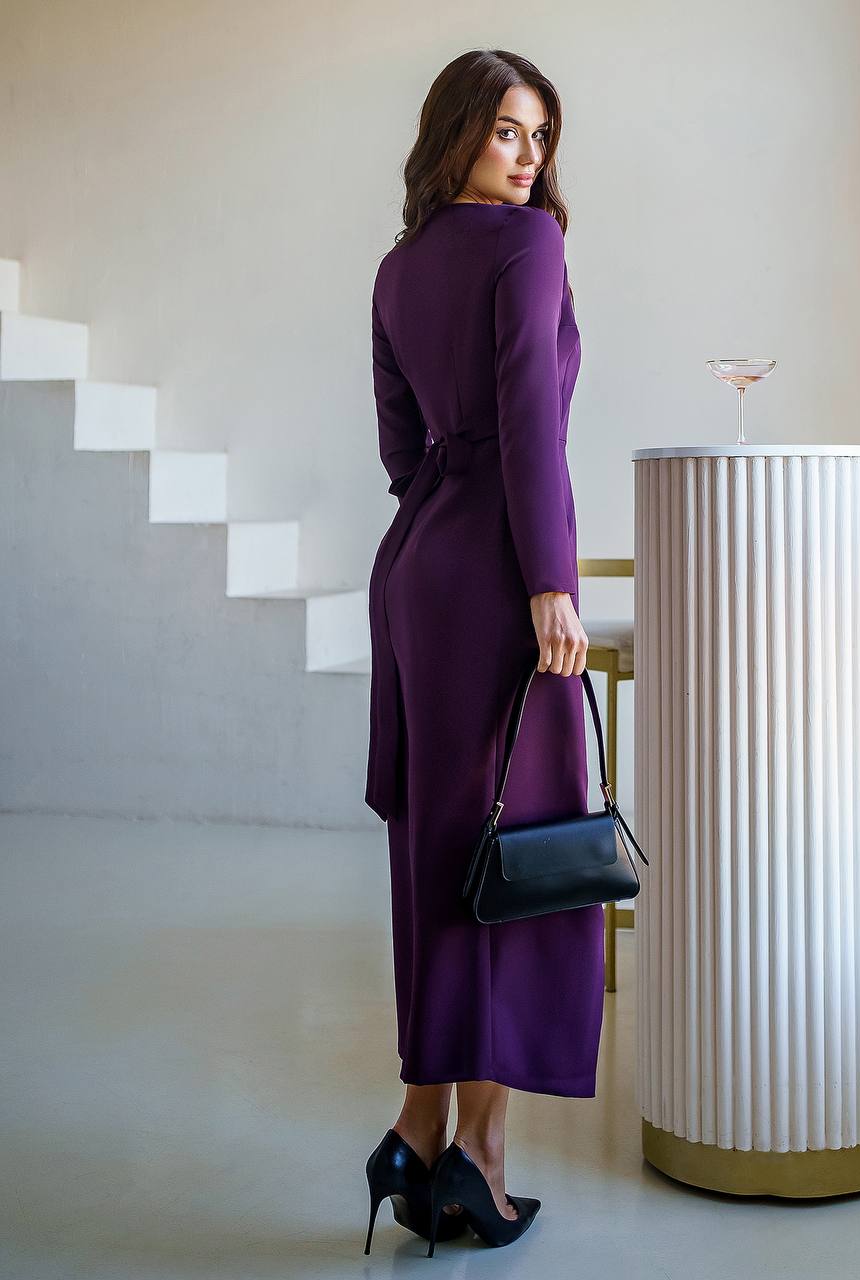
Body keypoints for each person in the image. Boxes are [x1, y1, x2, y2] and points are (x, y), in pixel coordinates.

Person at [362, 48, 602, 1255]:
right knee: (515, 860)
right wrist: (549, 583)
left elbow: (402, 448)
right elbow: (528, 427)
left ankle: (417, 1123)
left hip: (417, 570)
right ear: (457, 131)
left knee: (443, 851)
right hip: (502, 584)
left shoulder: (398, 270)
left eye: (541, 136)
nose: (527, 156)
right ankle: (479, 1157)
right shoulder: (528, 249)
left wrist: (446, 524)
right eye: (508, 131)